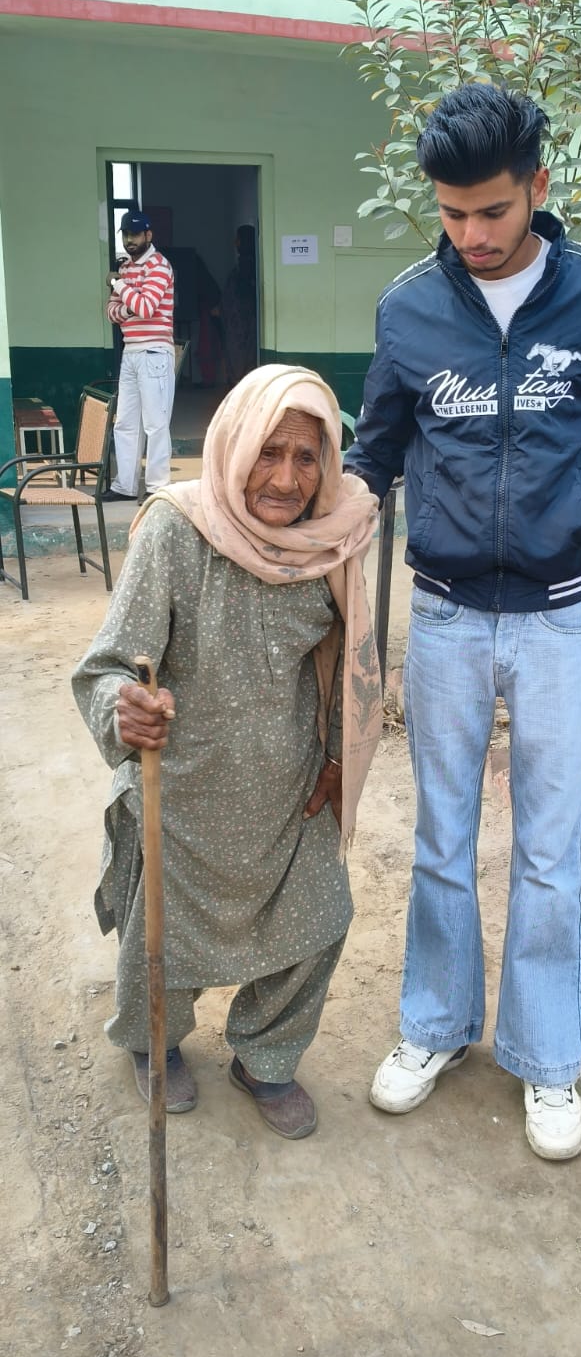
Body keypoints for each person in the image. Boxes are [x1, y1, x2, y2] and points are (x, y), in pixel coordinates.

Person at [344, 83, 581, 1160]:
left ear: (536, 186)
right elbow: (374, 448)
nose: (472, 235)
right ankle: (435, 1027)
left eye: (491, 210)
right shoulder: (408, 309)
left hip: (556, 622)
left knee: (547, 851)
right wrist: (311, 519)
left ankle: (545, 1060)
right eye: (451, 214)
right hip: (444, 619)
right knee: (440, 840)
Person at [73, 365, 381, 1139]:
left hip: (287, 790)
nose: (284, 479)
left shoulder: (333, 539)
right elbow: (109, 666)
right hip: (181, 790)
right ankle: (154, 1042)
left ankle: (265, 1056)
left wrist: (337, 759)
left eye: (305, 457)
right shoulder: (176, 530)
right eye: (267, 452)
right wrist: (124, 708)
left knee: (322, 920)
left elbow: (350, 663)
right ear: (233, 445)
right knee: (162, 941)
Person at [104, 208, 175, 503]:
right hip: (131, 351)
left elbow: (145, 308)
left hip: (154, 352)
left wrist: (118, 285)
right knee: (125, 423)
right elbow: (111, 312)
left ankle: (157, 487)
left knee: (155, 424)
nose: (129, 240)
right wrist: (129, 305)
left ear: (148, 235)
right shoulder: (126, 268)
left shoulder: (159, 265)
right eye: (126, 235)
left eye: (135, 235)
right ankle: (125, 485)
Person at [221, 224, 258, 389]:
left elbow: (241, 298)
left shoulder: (247, 266)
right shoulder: (245, 264)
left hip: (240, 325)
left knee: (240, 360)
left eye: (238, 239)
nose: (235, 243)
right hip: (238, 323)